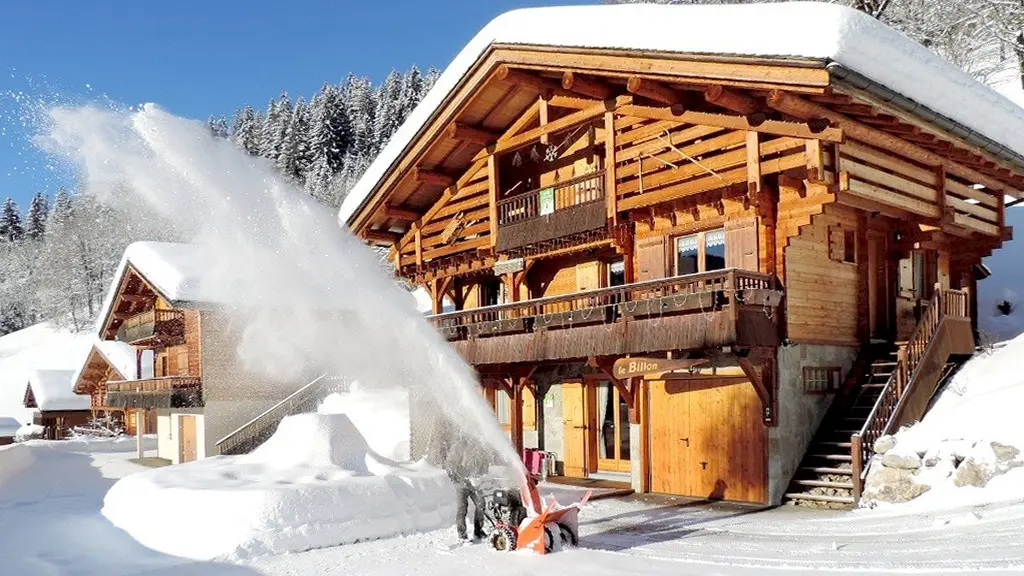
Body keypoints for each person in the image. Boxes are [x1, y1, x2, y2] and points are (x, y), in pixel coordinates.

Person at [427, 419, 489, 540]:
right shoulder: (458, 447)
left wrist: (482, 475)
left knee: (481, 504)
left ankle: (478, 530)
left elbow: (484, 464)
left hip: (475, 483)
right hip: (461, 483)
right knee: (462, 508)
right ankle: (462, 533)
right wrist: (462, 477)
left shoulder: (479, 449)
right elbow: (450, 465)